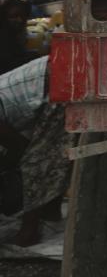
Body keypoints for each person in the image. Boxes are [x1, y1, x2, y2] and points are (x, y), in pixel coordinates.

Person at [0, 56, 74, 247]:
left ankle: (29, 232)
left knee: (37, 161)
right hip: (52, 75)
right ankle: (49, 213)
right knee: (50, 153)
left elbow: (19, 146)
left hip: (53, 80)